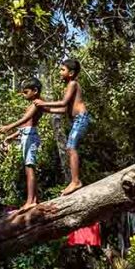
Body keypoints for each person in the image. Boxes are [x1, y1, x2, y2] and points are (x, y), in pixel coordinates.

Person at [36, 58, 89, 196]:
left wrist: (43, 103)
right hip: (78, 119)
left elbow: (63, 102)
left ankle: (76, 181)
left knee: (71, 148)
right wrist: (47, 109)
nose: (60, 72)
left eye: (62, 70)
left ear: (71, 73)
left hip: (81, 119)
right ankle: (74, 180)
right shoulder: (70, 86)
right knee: (70, 148)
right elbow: (64, 109)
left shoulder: (72, 84)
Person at [0, 78, 44, 212]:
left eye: (25, 92)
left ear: (35, 91)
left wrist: (9, 126)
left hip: (30, 136)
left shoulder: (36, 103)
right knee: (28, 168)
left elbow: (25, 120)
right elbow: (25, 127)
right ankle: (33, 199)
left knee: (30, 167)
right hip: (26, 135)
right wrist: (11, 137)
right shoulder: (31, 104)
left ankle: (31, 201)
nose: (24, 95)